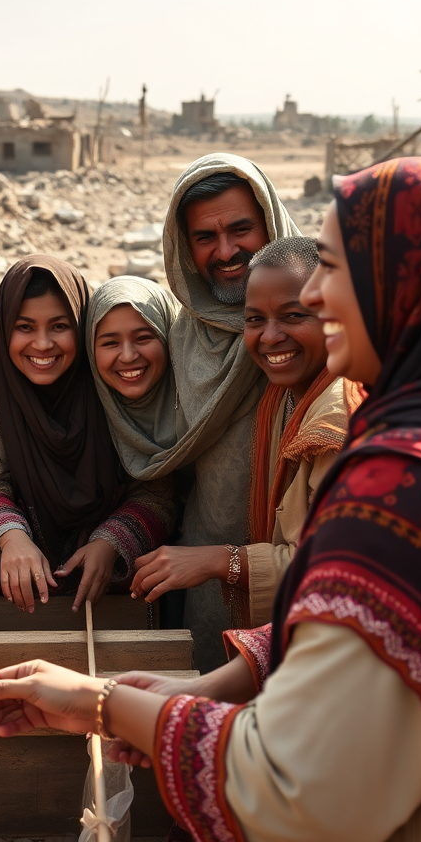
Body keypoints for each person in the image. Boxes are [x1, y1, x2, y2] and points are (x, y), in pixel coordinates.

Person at [0, 158, 421, 842]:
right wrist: (226, 677)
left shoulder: (412, 494)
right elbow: (378, 633)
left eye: (333, 270)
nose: (312, 295)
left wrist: (100, 705)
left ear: (414, 288)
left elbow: (292, 797)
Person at [122, 154, 301, 669]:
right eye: (205, 237)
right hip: (203, 584)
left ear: (269, 223)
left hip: (302, 583)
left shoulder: (322, 329)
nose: (226, 252)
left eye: (242, 229)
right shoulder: (181, 335)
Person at [131, 237, 361, 627]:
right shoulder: (280, 396)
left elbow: (334, 574)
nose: (270, 336)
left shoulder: (337, 423)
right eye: (254, 319)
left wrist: (222, 560)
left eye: (293, 316)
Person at [0, 256, 177, 614]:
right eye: (25, 327)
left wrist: (110, 543)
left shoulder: (110, 378)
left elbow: (159, 488)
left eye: (59, 326)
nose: (42, 345)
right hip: (20, 595)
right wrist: (12, 539)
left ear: (81, 325)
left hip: (118, 594)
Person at [85, 275, 180, 475]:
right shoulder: (84, 419)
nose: (128, 357)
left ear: (169, 335)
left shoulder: (205, 409)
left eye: (143, 338)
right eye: (110, 343)